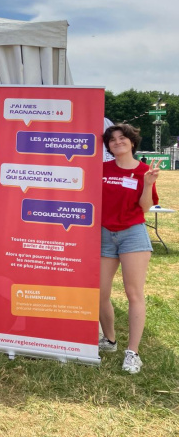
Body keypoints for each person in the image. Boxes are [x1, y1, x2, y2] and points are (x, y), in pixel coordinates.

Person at [99, 124, 159, 374]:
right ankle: (110, 340)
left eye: (122, 138)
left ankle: (132, 352)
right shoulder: (101, 169)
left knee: (133, 293)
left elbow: (145, 208)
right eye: (112, 140)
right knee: (99, 293)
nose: (117, 142)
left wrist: (147, 184)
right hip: (103, 234)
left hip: (132, 234)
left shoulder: (144, 171)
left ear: (132, 142)